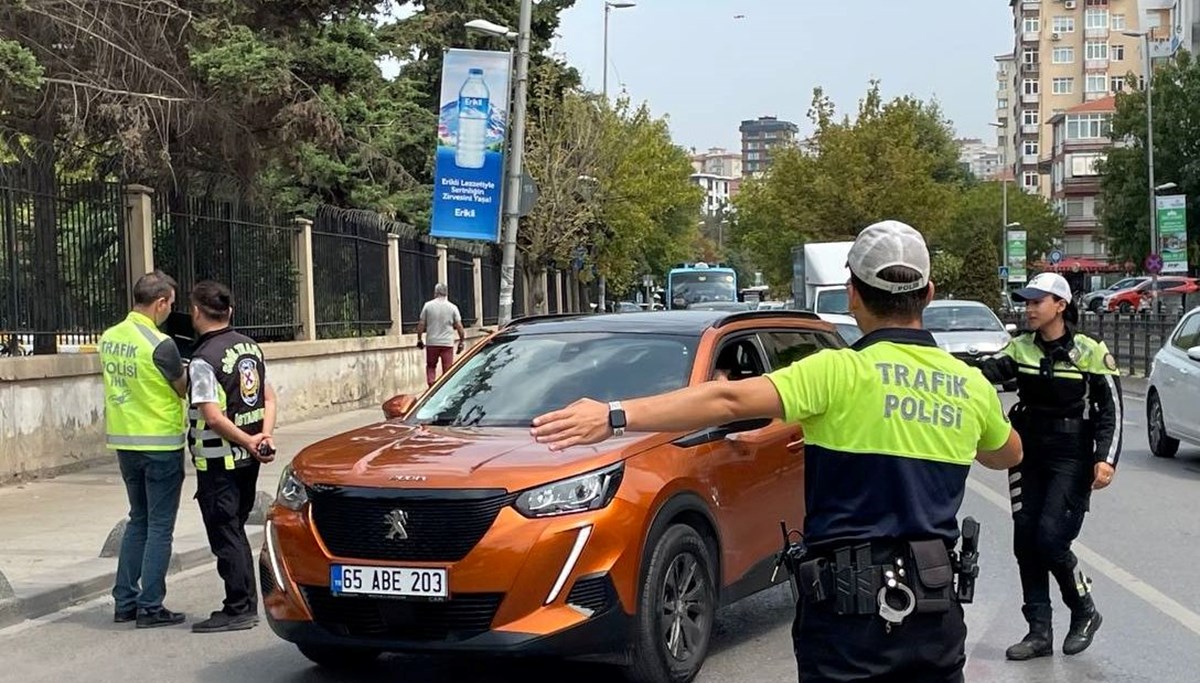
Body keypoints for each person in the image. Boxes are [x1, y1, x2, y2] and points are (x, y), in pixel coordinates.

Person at [530, 220, 1023, 682]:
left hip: (847, 620)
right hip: (934, 614)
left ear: (853, 294)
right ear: (929, 294)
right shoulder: (969, 387)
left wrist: (613, 415)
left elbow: (725, 399)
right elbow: (1008, 454)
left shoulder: (835, 373)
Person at [965, 272, 1120, 661]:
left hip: (1072, 455)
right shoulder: (1019, 349)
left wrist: (1106, 459)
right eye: (1027, 302)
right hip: (1027, 453)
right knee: (1025, 540)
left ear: (1061, 306)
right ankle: (1039, 632)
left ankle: (1084, 609)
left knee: (1051, 538)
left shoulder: (1089, 351)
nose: (1029, 308)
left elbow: (1111, 411)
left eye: (1038, 302)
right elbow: (983, 374)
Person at [185, 280, 278, 634]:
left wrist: (250, 441)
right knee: (236, 529)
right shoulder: (249, 347)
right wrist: (262, 437)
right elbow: (269, 398)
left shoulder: (203, 360)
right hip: (248, 459)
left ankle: (238, 607)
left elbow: (212, 416)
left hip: (219, 460)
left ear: (196, 312)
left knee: (226, 532)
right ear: (230, 312)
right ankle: (243, 603)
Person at [100, 270, 189, 628]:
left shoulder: (109, 338)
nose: (170, 311)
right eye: (170, 305)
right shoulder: (160, 344)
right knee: (160, 526)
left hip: (125, 442)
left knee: (138, 518)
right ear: (161, 302)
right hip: (161, 445)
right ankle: (151, 605)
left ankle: (125, 602)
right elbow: (181, 388)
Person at [416, 283, 465, 386]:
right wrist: (461, 341)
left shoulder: (428, 306)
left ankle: (431, 385)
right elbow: (459, 326)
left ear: (435, 293)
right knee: (447, 371)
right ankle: (444, 389)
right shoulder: (452, 307)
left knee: (431, 366)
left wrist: (419, 339)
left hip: (432, 342)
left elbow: (421, 324)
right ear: (446, 293)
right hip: (447, 344)